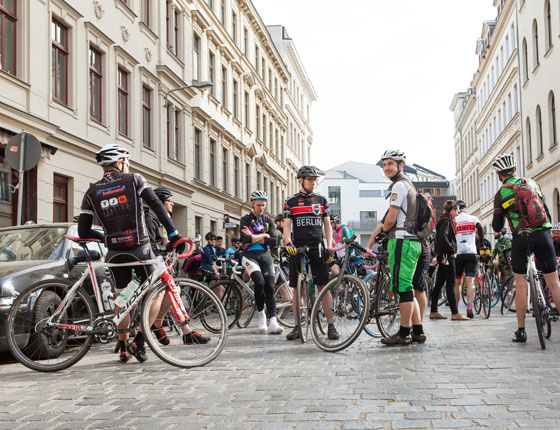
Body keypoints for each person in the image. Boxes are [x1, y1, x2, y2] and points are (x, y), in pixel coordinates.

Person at [78, 144, 203, 364]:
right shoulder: (134, 179)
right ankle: (140, 338)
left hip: (115, 253)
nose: (128, 166)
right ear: (120, 163)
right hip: (140, 249)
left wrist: (105, 238)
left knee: (124, 297)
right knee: (155, 292)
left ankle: (124, 348)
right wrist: (174, 234)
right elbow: (155, 204)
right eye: (127, 162)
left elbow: (83, 230)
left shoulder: (92, 191)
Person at [491, 154, 560, 343]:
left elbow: (496, 226)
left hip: (521, 237)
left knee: (520, 282)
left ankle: (521, 331)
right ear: (515, 170)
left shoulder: (501, 193)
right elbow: (545, 210)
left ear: (499, 175)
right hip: (543, 234)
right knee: (553, 282)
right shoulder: (532, 183)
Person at [283, 165, 339, 341]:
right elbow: (286, 225)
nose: (313, 183)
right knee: (296, 289)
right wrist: (288, 242)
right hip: (297, 246)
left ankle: (331, 325)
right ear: (300, 180)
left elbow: (327, 225)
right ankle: (297, 326)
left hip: (317, 246)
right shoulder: (290, 201)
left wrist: (329, 244)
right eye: (310, 180)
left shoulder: (321, 200)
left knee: (323, 286)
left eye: (315, 180)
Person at [377, 150, 426, 346]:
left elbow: (391, 218)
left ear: (401, 165)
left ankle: (403, 333)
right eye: (384, 164)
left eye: (391, 163)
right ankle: (418, 331)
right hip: (412, 242)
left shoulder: (399, 185)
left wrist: (384, 231)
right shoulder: (409, 184)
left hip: (402, 241)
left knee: (403, 288)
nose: (387, 167)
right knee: (409, 287)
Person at [240, 190, 283, 334]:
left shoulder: (268, 220)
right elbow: (244, 239)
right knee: (259, 282)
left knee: (270, 286)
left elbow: (274, 240)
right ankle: (261, 315)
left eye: (263, 205)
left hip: (265, 255)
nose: (261, 208)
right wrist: (264, 235)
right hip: (249, 255)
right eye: (259, 205)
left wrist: (254, 236)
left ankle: (273, 322)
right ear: (253, 204)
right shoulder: (245, 219)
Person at [430, 200, 469, 320]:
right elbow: (443, 237)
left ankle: (434, 311)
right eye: (457, 210)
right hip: (447, 256)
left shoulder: (445, 219)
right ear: (452, 210)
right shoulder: (446, 221)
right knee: (450, 284)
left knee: (439, 284)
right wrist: (452, 250)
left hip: (443, 255)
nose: (458, 212)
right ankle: (455, 312)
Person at [454, 200, 485, 319]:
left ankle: (456, 308)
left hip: (458, 254)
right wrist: (481, 244)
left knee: (457, 283)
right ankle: (470, 307)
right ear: (465, 209)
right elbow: (480, 228)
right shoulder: (473, 218)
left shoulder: (454, 220)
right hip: (471, 253)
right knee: (471, 282)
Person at [144, 187, 174, 254]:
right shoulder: (149, 218)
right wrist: (163, 248)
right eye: (169, 200)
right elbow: (149, 247)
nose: (172, 204)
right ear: (159, 202)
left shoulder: (162, 220)